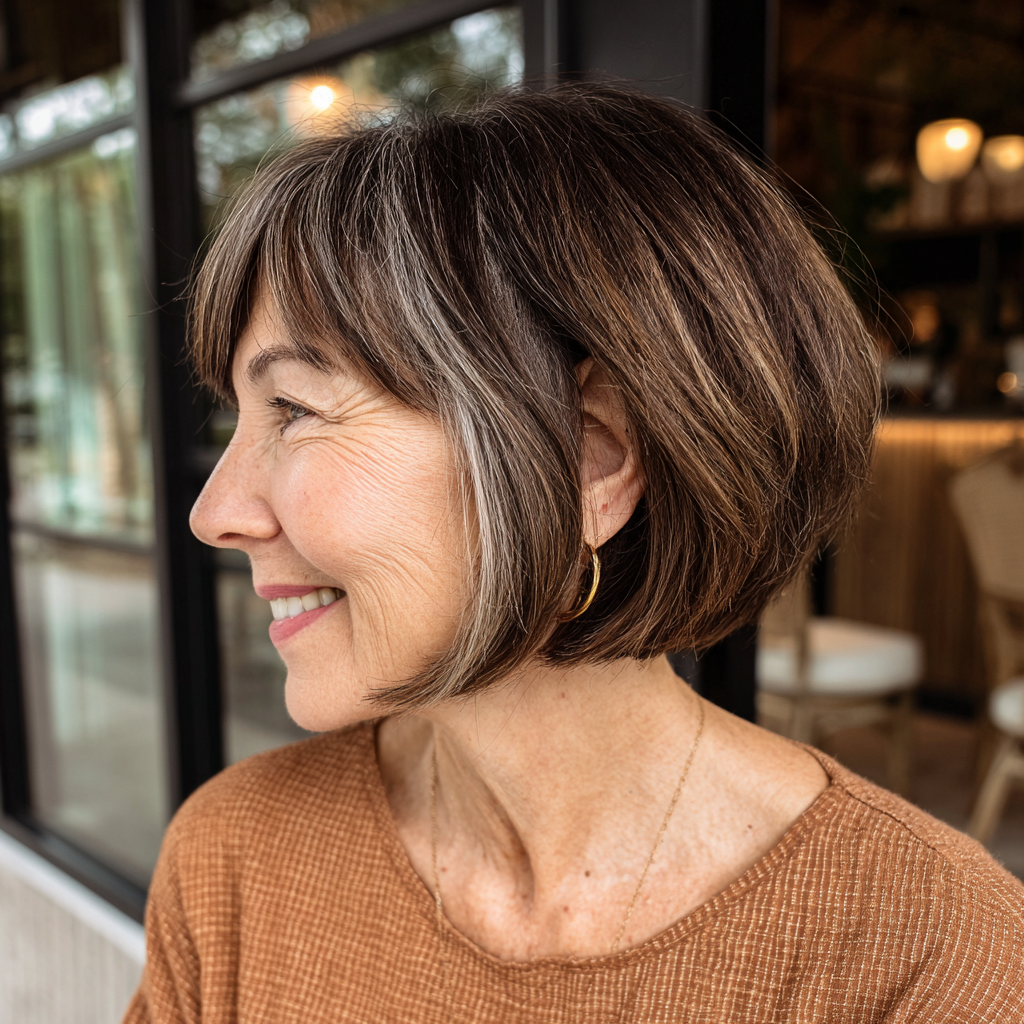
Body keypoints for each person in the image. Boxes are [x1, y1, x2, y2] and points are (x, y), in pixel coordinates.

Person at [124, 84, 1024, 1023]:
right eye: (237, 418)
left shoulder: (939, 965)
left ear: (591, 460)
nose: (214, 513)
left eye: (296, 410)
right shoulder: (236, 860)